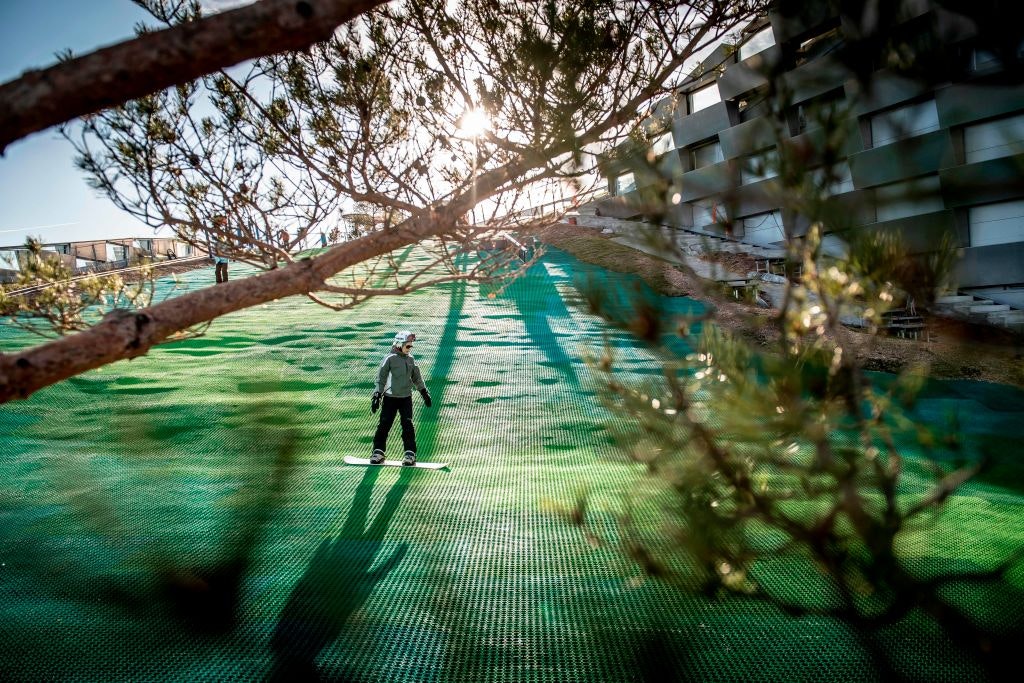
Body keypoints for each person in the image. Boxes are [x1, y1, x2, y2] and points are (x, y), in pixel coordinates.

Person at [370, 331, 431, 465]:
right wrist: (376, 395)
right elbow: (381, 379)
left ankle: (410, 454)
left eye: (411, 346)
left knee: (407, 425)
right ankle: (378, 452)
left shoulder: (410, 360)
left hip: (405, 398)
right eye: (407, 346)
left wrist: (424, 392)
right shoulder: (389, 359)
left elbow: (417, 378)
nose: (410, 349)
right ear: (398, 345)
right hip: (390, 398)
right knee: (384, 424)